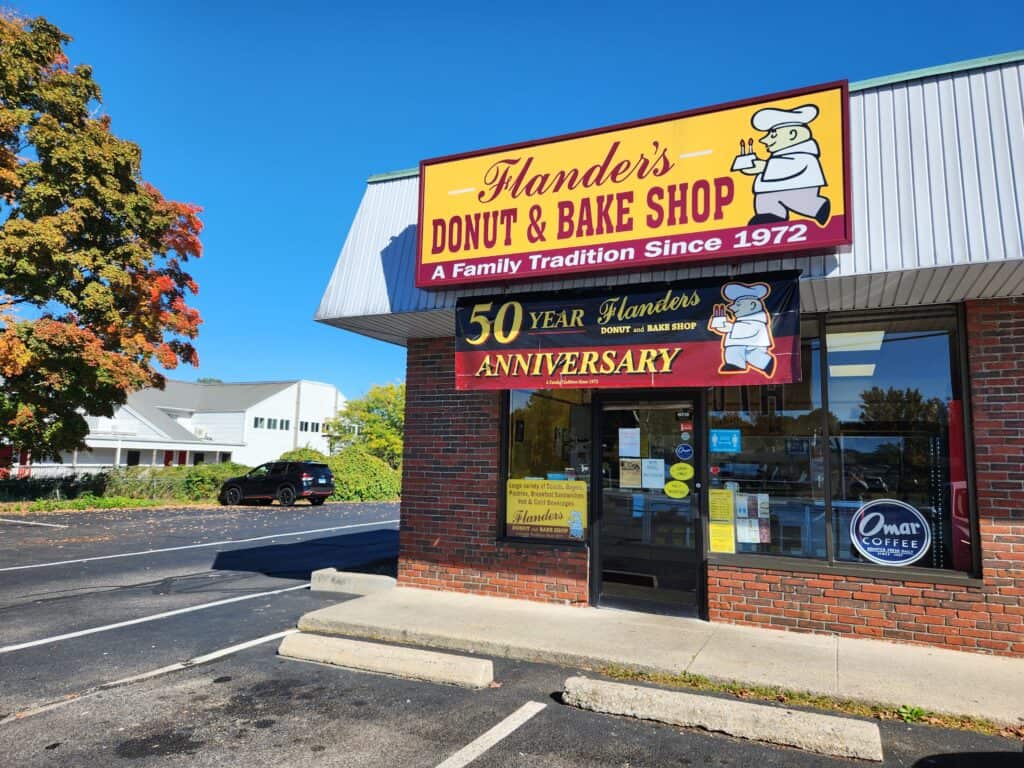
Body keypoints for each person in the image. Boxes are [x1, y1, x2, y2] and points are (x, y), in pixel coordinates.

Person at [735, 104, 831, 226]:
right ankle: (772, 217)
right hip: (771, 192)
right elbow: (774, 167)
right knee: (766, 199)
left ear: (792, 134)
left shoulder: (804, 154)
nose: (764, 140)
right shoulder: (777, 157)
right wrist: (752, 168)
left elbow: (791, 166)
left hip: (798, 189)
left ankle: (818, 207)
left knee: (794, 200)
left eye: (773, 135)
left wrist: (764, 167)